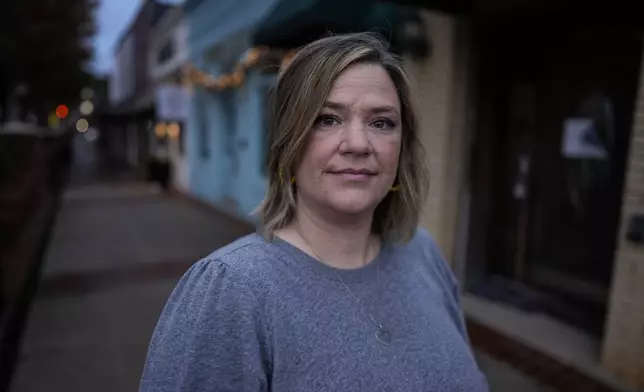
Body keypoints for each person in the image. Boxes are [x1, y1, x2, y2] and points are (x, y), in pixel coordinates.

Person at [139, 32, 489, 392]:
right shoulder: (232, 290)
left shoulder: (422, 254)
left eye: (381, 122)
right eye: (327, 119)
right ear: (288, 141)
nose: (357, 144)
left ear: (402, 147)